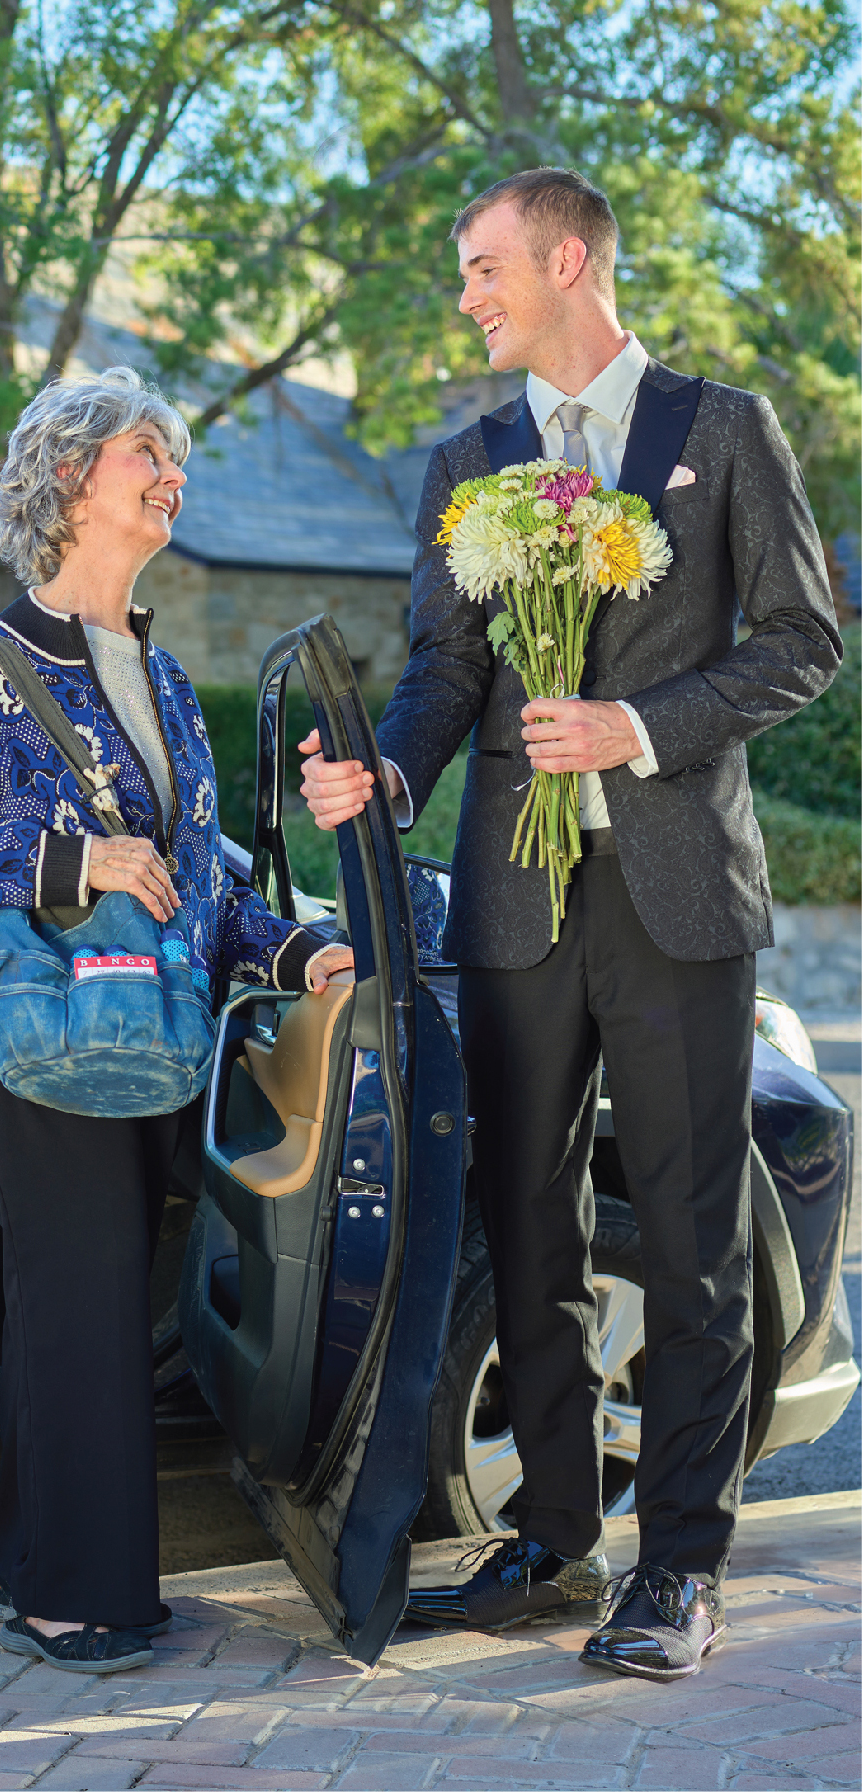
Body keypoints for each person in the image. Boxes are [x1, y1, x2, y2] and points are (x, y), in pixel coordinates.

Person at [299, 168, 842, 1682]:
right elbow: (444, 667)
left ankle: (680, 1565)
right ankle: (552, 1538)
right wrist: (388, 767)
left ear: (569, 256)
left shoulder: (722, 431)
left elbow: (804, 645)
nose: (468, 295)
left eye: (483, 267)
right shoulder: (467, 459)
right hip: (515, 903)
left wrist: (636, 726)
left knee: (688, 1237)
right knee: (525, 1225)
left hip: (680, 901)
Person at [0, 368, 353, 1675]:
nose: (171, 470)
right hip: (11, 1026)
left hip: (147, 1029)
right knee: (82, 1289)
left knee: (73, 1298)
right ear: (76, 475)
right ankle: (84, 1599)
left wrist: (300, 943)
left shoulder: (168, 679)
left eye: (178, 453)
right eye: (150, 449)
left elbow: (199, 879)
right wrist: (66, 866)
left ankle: (34, 1574)